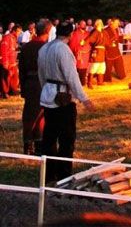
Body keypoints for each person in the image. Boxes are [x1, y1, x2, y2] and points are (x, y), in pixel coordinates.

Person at [38, 21, 95, 182]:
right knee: (66, 138)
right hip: (62, 100)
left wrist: (45, 90)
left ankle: (49, 173)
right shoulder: (63, 50)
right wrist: (84, 98)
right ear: (70, 35)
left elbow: (41, 74)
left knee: (49, 137)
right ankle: (63, 174)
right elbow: (71, 76)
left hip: (48, 96)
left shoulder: (44, 48)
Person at [19, 19, 50, 154]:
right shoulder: (45, 47)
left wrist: (23, 87)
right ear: (47, 32)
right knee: (34, 115)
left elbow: (21, 70)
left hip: (30, 83)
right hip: (40, 82)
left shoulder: (26, 47)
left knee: (37, 114)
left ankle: (36, 144)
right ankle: (31, 145)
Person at [1, 23, 22, 97]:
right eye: (18, 32)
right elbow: (4, 50)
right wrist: (5, 63)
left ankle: (13, 90)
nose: (19, 34)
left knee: (14, 77)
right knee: (6, 77)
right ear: (14, 31)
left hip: (13, 62)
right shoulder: (7, 37)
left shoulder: (14, 38)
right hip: (7, 62)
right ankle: (5, 92)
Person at [85, 20, 106, 88]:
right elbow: (90, 39)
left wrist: (111, 44)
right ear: (96, 24)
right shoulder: (95, 32)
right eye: (98, 23)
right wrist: (84, 42)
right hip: (96, 50)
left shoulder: (103, 32)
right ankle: (89, 82)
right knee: (94, 66)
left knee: (102, 66)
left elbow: (107, 39)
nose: (100, 24)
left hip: (102, 51)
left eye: (101, 23)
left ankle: (100, 81)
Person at [69, 21, 91, 85]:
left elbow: (90, 43)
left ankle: (83, 81)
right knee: (78, 67)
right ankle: (77, 82)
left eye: (84, 24)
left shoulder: (88, 33)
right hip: (78, 53)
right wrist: (75, 50)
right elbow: (72, 44)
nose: (83, 25)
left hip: (86, 53)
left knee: (85, 68)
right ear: (79, 25)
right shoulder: (75, 33)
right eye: (82, 24)